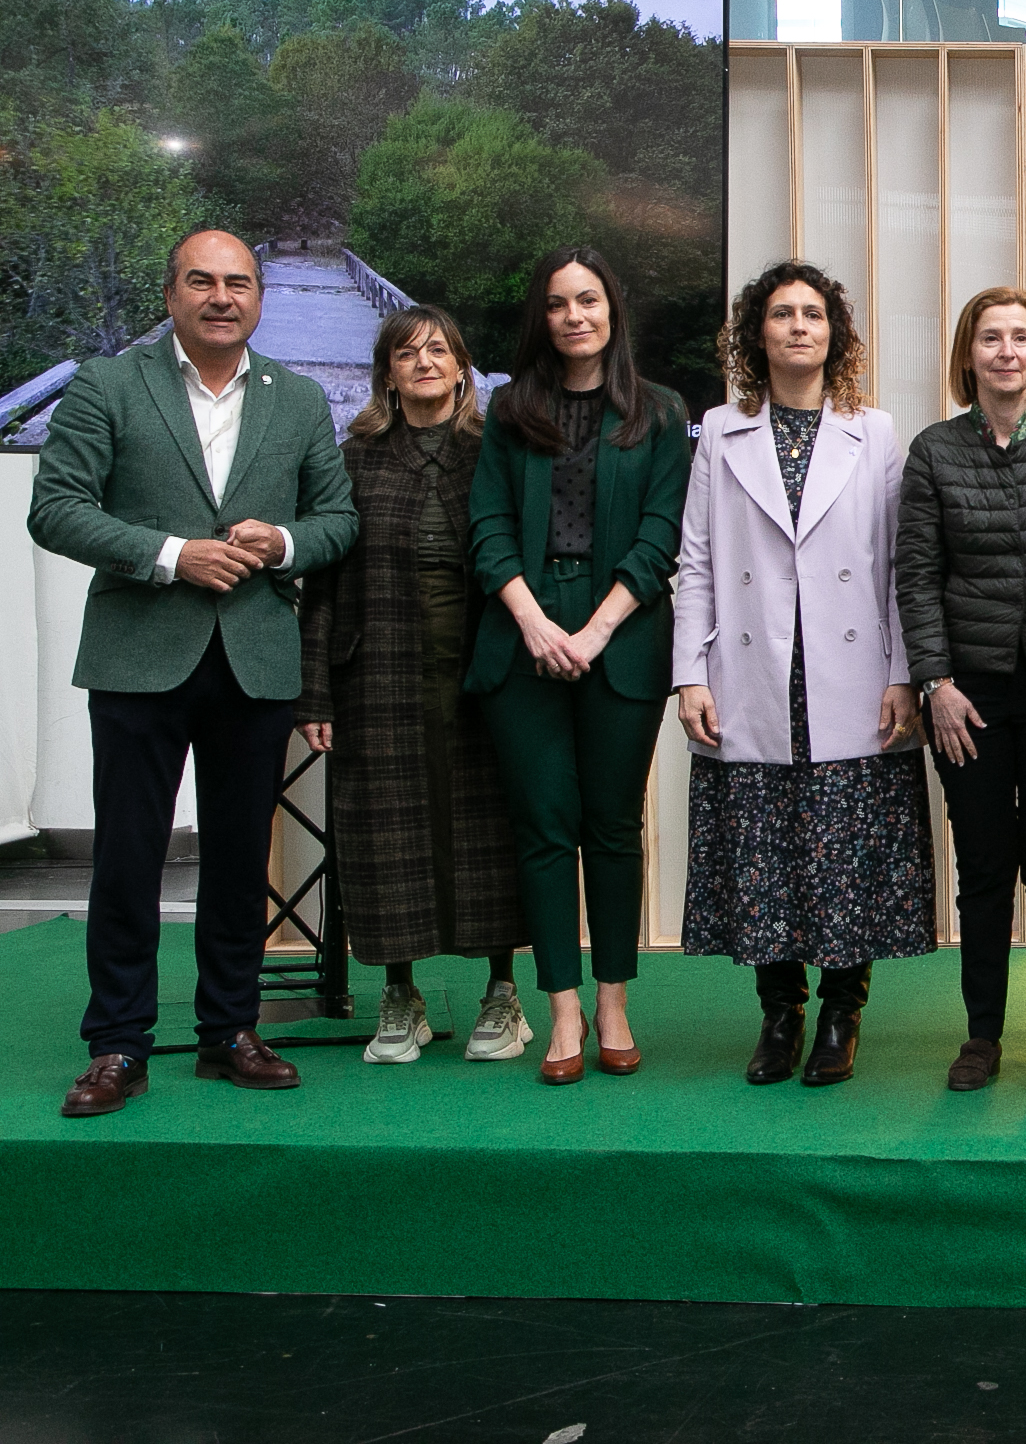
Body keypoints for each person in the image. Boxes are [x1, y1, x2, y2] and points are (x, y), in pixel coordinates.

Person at [33, 228, 357, 1117]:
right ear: (172, 293)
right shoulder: (108, 384)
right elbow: (55, 508)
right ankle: (117, 1044)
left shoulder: (297, 399)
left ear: (259, 298)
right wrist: (175, 554)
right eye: (203, 281)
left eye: (239, 283)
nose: (222, 297)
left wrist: (281, 541)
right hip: (138, 656)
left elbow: (337, 520)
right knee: (129, 857)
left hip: (254, 661)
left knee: (239, 862)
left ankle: (229, 1031)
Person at [676, 262, 935, 1088]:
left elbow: (897, 563)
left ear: (834, 333)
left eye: (813, 314)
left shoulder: (875, 431)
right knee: (764, 849)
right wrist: (690, 673)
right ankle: (779, 1013)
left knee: (847, 851)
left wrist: (902, 671)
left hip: (850, 670)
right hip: (754, 671)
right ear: (756, 333)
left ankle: (841, 1012)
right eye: (782, 313)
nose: (798, 326)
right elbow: (696, 560)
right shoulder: (721, 430)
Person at [467, 247, 690, 1085]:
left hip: (620, 635)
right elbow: (488, 524)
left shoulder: (659, 412)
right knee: (543, 827)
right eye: (558, 303)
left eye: (588, 300)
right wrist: (532, 621)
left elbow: (662, 534)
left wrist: (593, 631)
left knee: (612, 826)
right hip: (522, 632)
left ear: (612, 309)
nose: (574, 316)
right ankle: (561, 1007)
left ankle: (613, 1002)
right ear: (543, 316)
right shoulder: (509, 408)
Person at [297, 306, 529, 1065]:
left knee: (491, 823)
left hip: (484, 666)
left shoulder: (497, 450)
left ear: (462, 368)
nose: (424, 362)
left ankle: (503, 992)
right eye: (407, 353)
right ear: (388, 374)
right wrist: (314, 691)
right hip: (378, 668)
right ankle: (399, 994)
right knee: (384, 830)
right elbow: (322, 581)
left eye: (438, 350)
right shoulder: (354, 457)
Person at [896, 287, 1026, 1096]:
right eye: (991, 338)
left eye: (1021, 336)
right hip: (966, 694)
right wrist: (934, 682)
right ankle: (982, 1035)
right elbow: (916, 576)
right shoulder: (934, 450)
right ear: (968, 353)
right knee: (982, 866)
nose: (1006, 351)